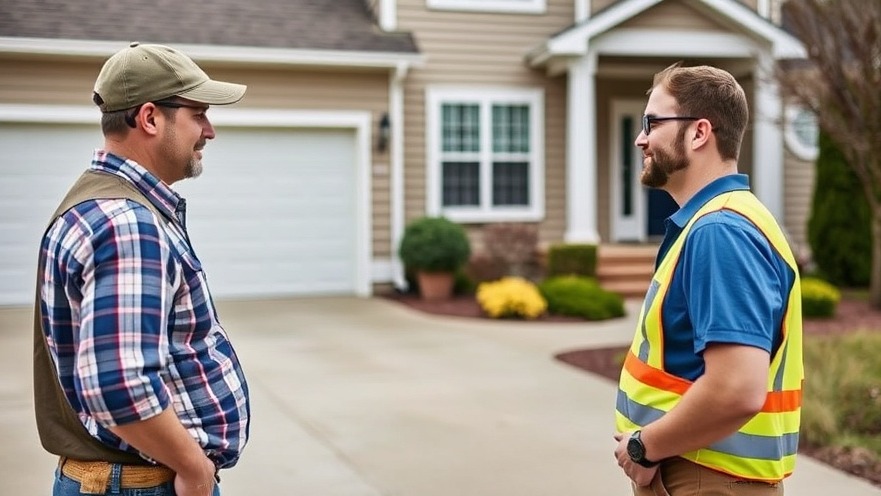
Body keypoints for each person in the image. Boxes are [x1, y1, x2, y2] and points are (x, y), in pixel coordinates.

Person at [34, 42, 250, 496]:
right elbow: (120, 384)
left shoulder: (96, 204)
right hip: (142, 482)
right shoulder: (126, 223)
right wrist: (193, 469)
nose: (209, 131)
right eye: (198, 114)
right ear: (150, 118)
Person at [612, 63, 804, 495]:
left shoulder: (721, 231)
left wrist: (645, 446)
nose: (641, 138)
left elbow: (737, 388)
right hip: (700, 472)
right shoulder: (717, 222)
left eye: (652, 122)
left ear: (699, 133)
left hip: (704, 477)